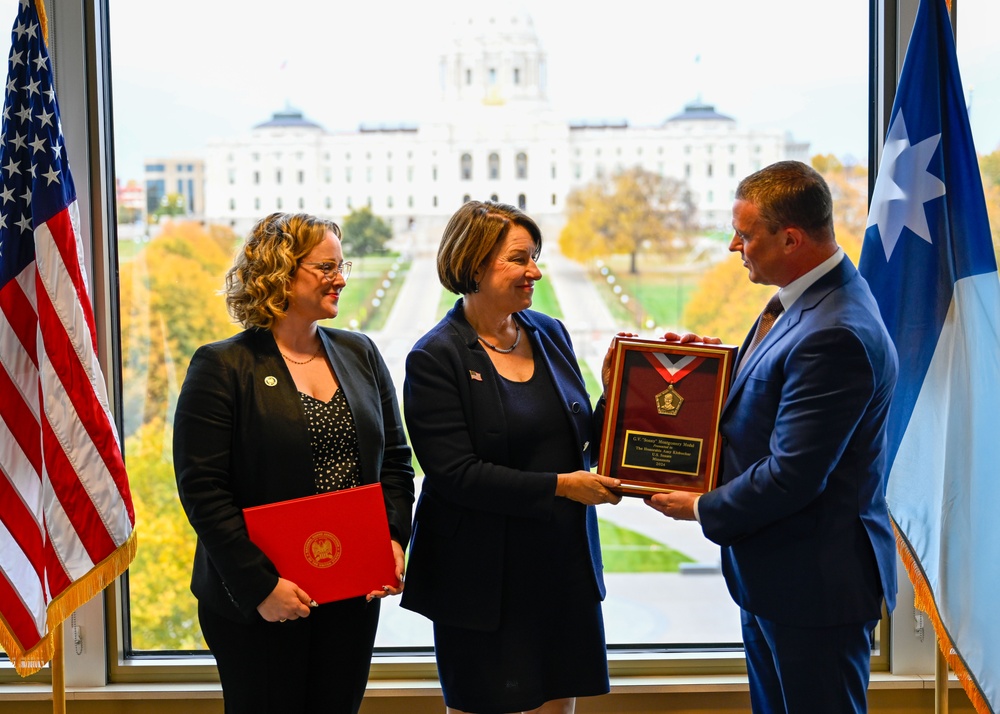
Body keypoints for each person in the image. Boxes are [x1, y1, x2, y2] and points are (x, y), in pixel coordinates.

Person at [646, 161, 898, 714]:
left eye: (745, 233)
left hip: (814, 587)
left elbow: (793, 474)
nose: (733, 246)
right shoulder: (807, 301)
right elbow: (765, 393)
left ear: (791, 237)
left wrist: (700, 507)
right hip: (779, 578)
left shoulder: (834, 330)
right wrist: (705, 370)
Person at [173, 212, 415, 714]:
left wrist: (391, 540)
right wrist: (261, 587)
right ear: (280, 272)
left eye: (341, 265)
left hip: (352, 593)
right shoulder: (222, 366)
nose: (341, 279)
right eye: (326, 268)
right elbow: (203, 491)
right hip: (260, 603)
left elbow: (395, 461)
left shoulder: (361, 352)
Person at [401, 200, 622, 714]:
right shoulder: (435, 357)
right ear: (475, 265)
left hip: (561, 567)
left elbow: (579, 439)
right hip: (481, 583)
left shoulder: (549, 332)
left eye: (535, 257)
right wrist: (563, 486)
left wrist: (616, 391)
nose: (535, 271)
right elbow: (456, 475)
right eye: (520, 259)